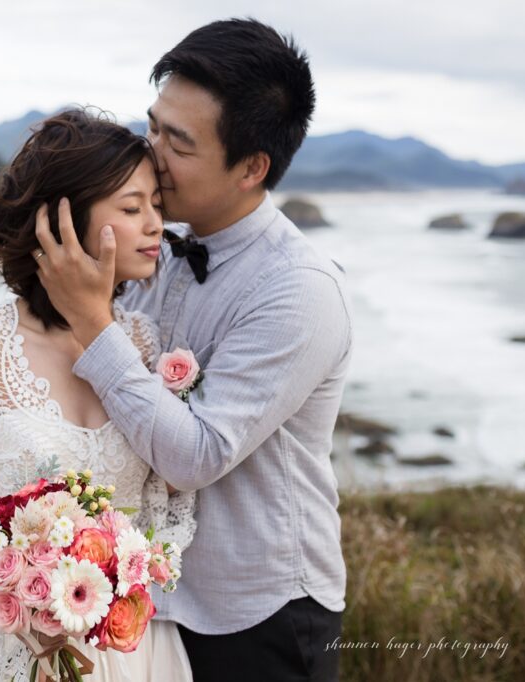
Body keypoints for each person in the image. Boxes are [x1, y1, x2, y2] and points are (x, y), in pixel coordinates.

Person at [34, 19, 351, 682]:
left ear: (252, 168)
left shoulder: (298, 291)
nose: (150, 153)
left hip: (257, 613)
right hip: (144, 602)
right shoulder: (151, 246)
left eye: (176, 142)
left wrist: (95, 325)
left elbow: (194, 457)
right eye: (152, 126)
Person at [0, 108, 196, 682]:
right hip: (2, 643)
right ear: (63, 219)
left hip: (130, 651)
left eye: (157, 206)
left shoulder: (144, 344)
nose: (156, 225)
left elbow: (168, 512)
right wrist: (18, 592)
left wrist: (128, 570)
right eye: (133, 209)